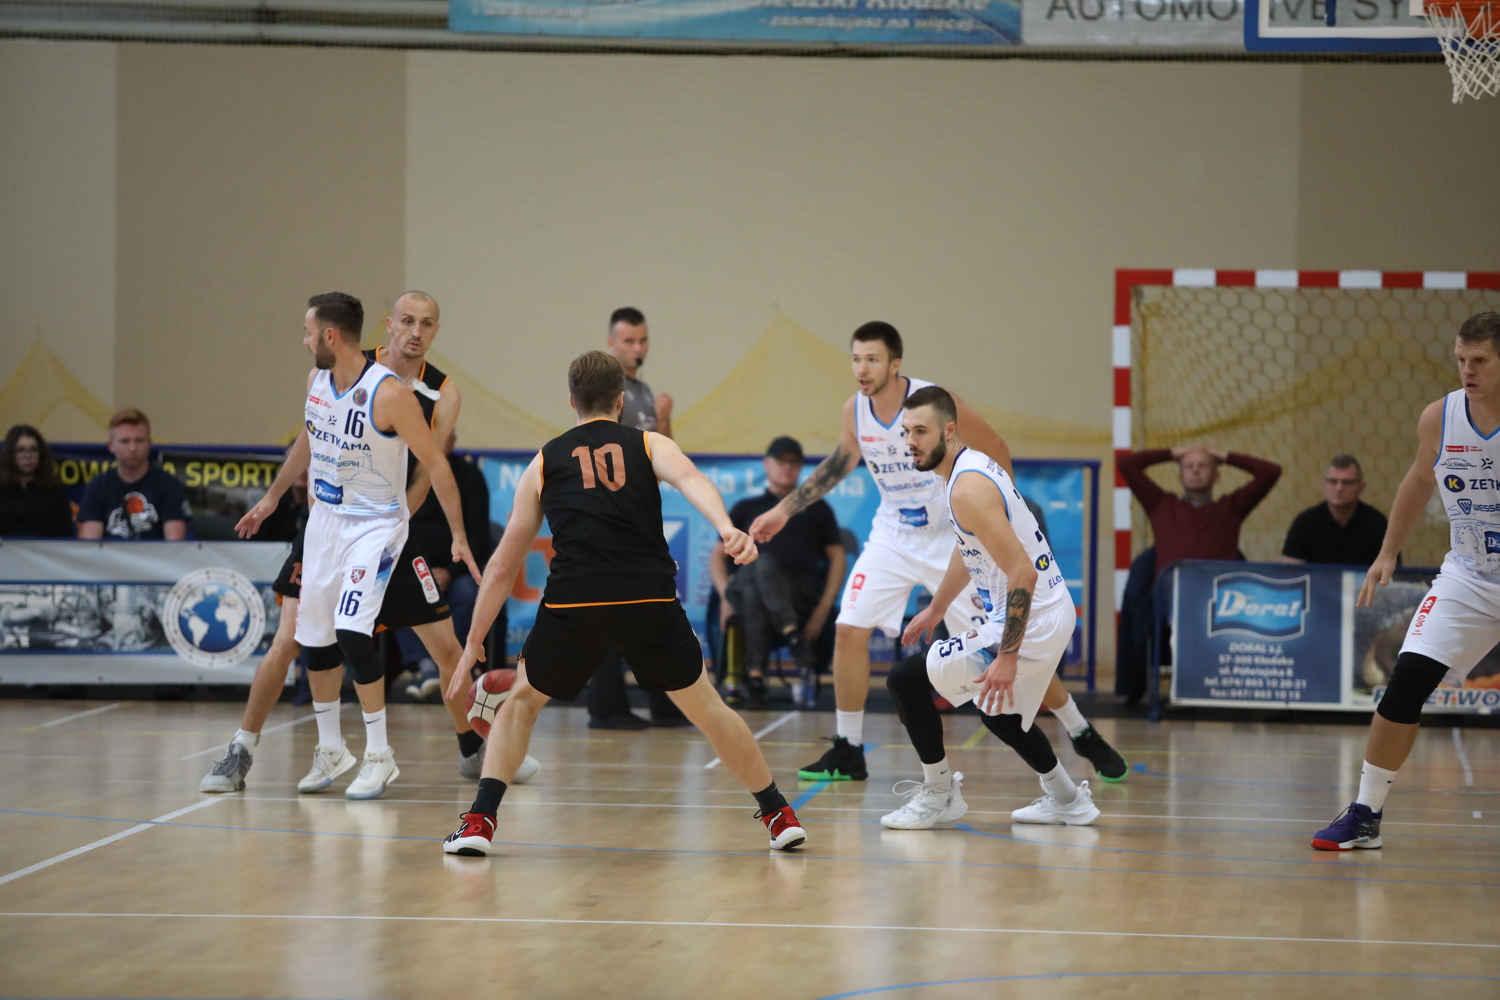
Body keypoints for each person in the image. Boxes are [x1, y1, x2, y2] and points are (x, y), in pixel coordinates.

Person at [442, 351, 807, 855]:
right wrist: (726, 528)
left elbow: (504, 564)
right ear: (620, 401)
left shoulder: (544, 461)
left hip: (575, 603)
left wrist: (473, 642)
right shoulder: (650, 442)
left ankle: (480, 822)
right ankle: (778, 814)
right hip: (647, 597)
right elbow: (692, 479)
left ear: (571, 401)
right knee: (708, 708)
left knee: (521, 703)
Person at [749, 322, 1123, 784]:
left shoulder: (933, 401)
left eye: (871, 359)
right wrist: (784, 510)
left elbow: (996, 447)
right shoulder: (855, 410)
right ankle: (848, 747)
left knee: (1008, 646)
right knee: (849, 629)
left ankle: (1080, 730)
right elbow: (840, 462)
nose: (862, 368)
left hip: (951, 535)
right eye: (856, 359)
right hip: (892, 535)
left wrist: (999, 511)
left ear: (895, 364)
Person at [203, 293, 533, 794]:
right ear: (389, 325)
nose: (415, 332)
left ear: (436, 331)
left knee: (446, 647)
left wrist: (398, 529)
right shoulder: (340, 367)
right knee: (293, 637)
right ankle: (243, 749)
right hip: (327, 526)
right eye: (407, 321)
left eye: (426, 324)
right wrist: (274, 497)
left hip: (385, 526)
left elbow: (428, 472)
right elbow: (313, 435)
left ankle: (472, 749)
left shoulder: (439, 395)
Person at [1314, 311, 1500, 851]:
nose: (1467, 370)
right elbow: (1420, 479)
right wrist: (1387, 551)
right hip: (1469, 576)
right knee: (1406, 682)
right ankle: (1365, 814)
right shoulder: (1440, 417)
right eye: (1461, 359)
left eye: (1480, 360)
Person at [882, 386, 1098, 828]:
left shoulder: (967, 489)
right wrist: (937, 608)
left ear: (949, 430)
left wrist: (1008, 655)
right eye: (906, 432)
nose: (911, 442)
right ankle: (1068, 799)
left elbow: (1022, 574)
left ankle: (940, 794)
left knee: (905, 682)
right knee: (996, 709)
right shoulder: (969, 467)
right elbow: (970, 547)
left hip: (1033, 618)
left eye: (921, 431)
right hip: (1050, 610)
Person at [586, 305, 688, 729]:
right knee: (610, 613)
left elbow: (662, 455)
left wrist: (664, 421)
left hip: (641, 517)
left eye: (642, 340)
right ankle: (606, 708)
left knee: (649, 610)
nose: (637, 348)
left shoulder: (643, 392)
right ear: (611, 343)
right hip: (610, 520)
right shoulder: (602, 393)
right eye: (628, 341)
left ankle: (663, 704)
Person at [709, 436, 845, 709]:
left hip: (799, 595)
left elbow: (838, 558)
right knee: (759, 567)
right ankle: (793, 638)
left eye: (794, 462)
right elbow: (716, 556)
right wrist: (725, 597)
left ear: (801, 467)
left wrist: (823, 608)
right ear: (766, 464)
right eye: (781, 461)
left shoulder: (817, 508)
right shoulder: (746, 508)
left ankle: (756, 681)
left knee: (758, 575)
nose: (787, 467)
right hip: (747, 594)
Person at [1117, 444, 1282, 579]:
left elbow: (1271, 472)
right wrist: (1172, 454)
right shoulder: (1160, 504)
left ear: (1216, 476)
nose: (1195, 470)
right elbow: (1125, 463)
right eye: (1189, 466)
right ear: (1180, 477)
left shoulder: (1231, 508)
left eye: (1203, 465)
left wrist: (1224, 456)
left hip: (1218, 596)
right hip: (1171, 597)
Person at [78, 409, 192, 540]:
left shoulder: (170, 486)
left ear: (149, 444)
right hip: (110, 554)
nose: (132, 448)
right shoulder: (97, 487)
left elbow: (175, 545)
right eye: (125, 441)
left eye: (139, 441)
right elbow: (91, 544)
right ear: (111, 446)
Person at [1282, 454, 1389, 565]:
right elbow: (1291, 571)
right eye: (1333, 481)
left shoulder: (1377, 524)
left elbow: (1388, 570)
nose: (1339, 488)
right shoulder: (1304, 523)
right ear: (1324, 484)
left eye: (1347, 482)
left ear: (1360, 487)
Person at [0, 425, 75, 538]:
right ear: (10, 454)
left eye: (33, 449)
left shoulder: (55, 493)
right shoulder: (2, 491)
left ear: (41, 454)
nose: (27, 455)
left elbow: (64, 537)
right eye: (20, 450)